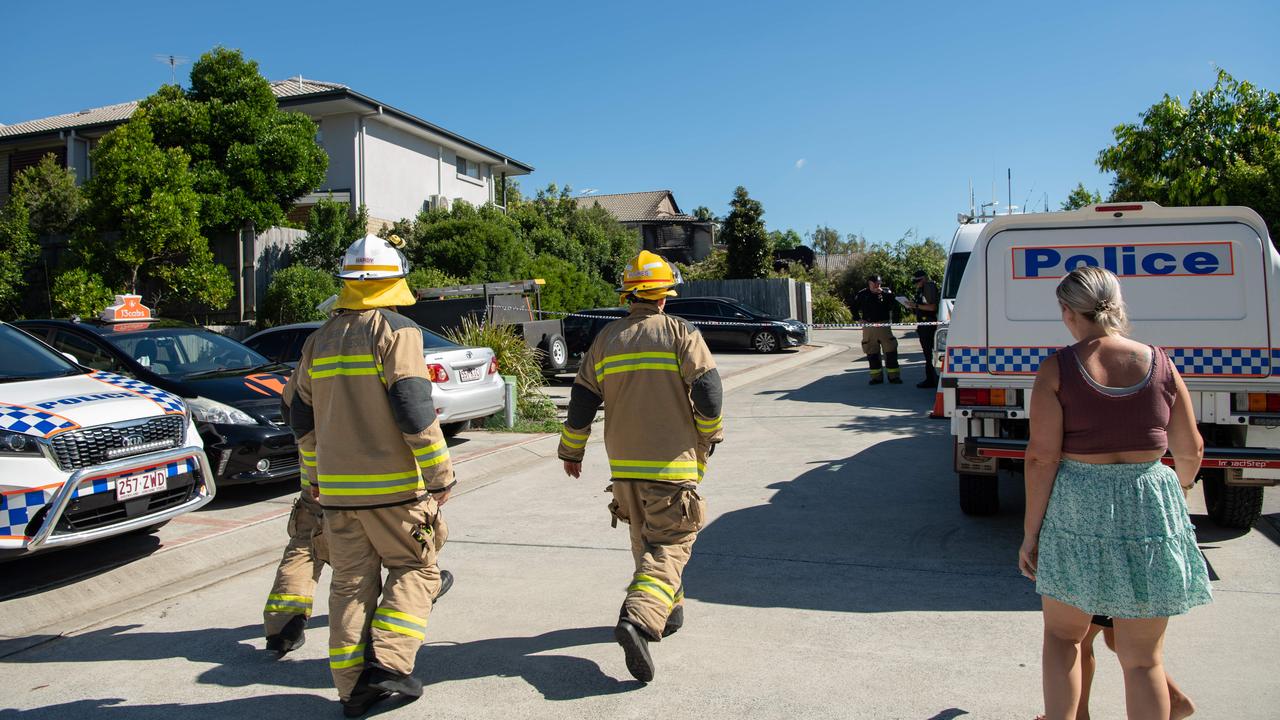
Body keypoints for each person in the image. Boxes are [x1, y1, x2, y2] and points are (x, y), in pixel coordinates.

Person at [1019, 266, 1211, 720]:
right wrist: (1176, 490)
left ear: (1067, 312)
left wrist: (1031, 534)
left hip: (1077, 508)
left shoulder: (1058, 368)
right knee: (1143, 659)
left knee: (1064, 638)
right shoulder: (1160, 361)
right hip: (1149, 499)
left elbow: (1042, 458)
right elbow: (1191, 449)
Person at [284, 234, 457, 718]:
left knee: (350, 587)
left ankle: (351, 691)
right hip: (394, 491)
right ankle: (388, 667)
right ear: (394, 281)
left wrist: (315, 477)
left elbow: (300, 414)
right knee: (417, 570)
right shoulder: (397, 331)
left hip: (338, 494)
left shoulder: (319, 339)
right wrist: (440, 473)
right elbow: (412, 406)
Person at [559, 250, 723, 683]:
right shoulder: (680, 333)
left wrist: (571, 451)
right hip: (671, 466)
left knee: (646, 544)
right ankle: (639, 619)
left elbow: (581, 401)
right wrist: (710, 433)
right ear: (665, 297)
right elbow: (708, 392)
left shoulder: (606, 339)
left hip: (625, 470)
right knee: (671, 545)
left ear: (628, 295)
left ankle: (670, 612)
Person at [261, 437, 328, 657]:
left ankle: (283, 623)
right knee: (408, 555)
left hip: (317, 474)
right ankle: (420, 589)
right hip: (378, 476)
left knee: (305, 544)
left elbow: (297, 416)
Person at [850, 274, 901, 384]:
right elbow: (853, 307)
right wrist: (858, 319)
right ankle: (876, 378)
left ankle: (894, 377)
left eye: (879, 283)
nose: (878, 285)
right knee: (871, 351)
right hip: (869, 326)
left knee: (890, 350)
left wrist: (884, 294)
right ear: (869, 283)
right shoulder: (862, 294)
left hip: (883, 325)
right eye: (875, 283)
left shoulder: (886, 293)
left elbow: (895, 306)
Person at [903, 268, 940, 388]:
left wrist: (916, 305)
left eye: (918, 281)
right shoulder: (921, 289)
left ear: (924, 279)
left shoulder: (929, 287)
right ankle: (931, 379)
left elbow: (932, 307)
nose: (916, 284)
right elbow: (922, 307)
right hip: (923, 325)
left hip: (929, 325)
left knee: (930, 354)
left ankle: (932, 380)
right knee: (927, 354)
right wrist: (912, 307)